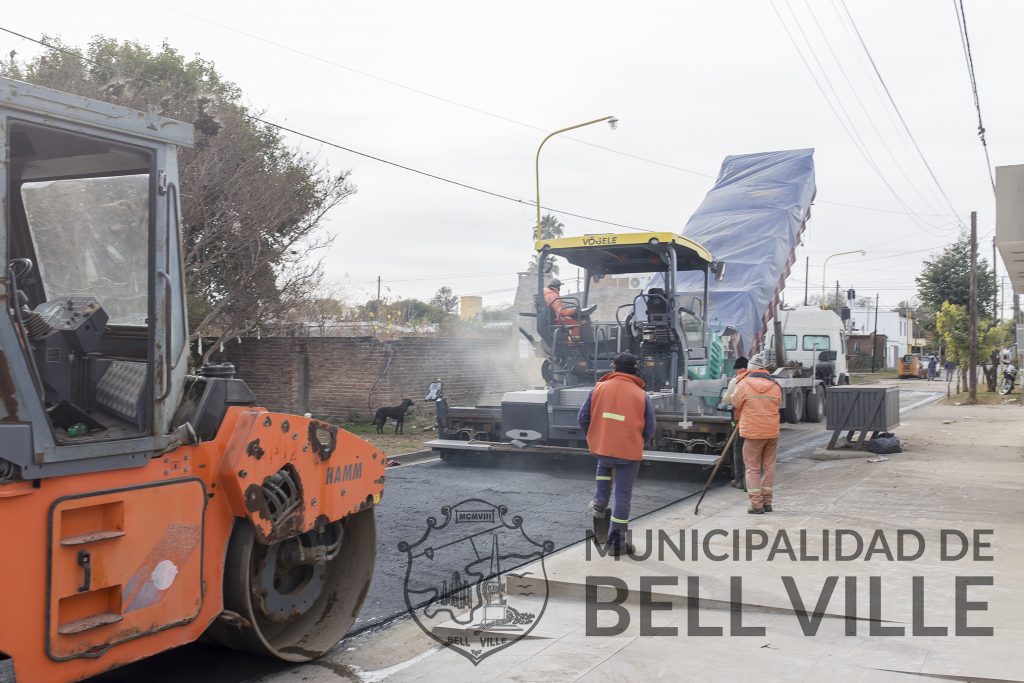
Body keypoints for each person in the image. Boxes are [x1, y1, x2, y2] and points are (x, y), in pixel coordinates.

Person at [578, 352, 655, 556]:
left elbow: (582, 417)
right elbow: (650, 428)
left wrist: (594, 436)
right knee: (622, 496)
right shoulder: (641, 395)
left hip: (603, 446)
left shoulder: (599, 388)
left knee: (603, 464)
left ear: (614, 368)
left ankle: (599, 502)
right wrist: (637, 442)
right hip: (628, 451)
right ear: (634, 371)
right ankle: (616, 544)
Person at [732, 353, 783, 514]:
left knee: (752, 468)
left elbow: (735, 402)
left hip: (753, 433)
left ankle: (756, 505)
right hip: (772, 432)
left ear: (750, 369)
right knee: (769, 467)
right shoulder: (775, 385)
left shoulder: (744, 384)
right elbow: (778, 404)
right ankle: (767, 502)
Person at [721, 356, 749, 490]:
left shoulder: (736, 380)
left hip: (740, 421)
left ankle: (740, 480)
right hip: (759, 421)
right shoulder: (756, 379)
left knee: (739, 449)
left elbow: (727, 400)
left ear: (737, 369)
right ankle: (752, 480)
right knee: (753, 451)